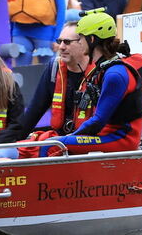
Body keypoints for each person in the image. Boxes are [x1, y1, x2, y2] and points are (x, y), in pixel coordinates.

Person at [55, 8, 142, 155]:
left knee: (59, 144)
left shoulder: (114, 74)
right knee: (53, 139)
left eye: (80, 38)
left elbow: (98, 120)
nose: (78, 43)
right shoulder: (107, 66)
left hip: (121, 139)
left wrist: (68, 138)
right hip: (107, 135)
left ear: (92, 40)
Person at [17, 22, 90, 158]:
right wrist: (7, 142)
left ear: (84, 44)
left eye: (67, 42)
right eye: (59, 41)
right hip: (60, 140)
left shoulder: (99, 72)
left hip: (89, 141)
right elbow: (34, 111)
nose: (61, 47)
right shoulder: (54, 69)